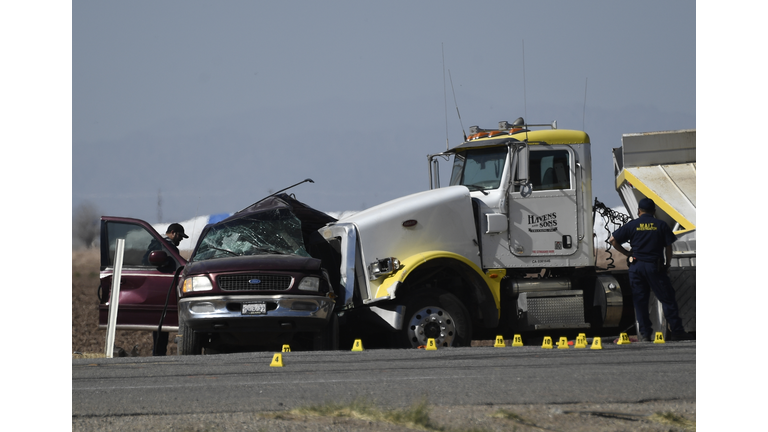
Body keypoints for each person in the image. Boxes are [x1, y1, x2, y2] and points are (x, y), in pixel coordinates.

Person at [608, 198, 693, 342]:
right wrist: (667, 264)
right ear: (654, 211)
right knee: (667, 298)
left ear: (639, 211)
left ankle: (645, 334)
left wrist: (627, 253)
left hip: (636, 267)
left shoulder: (632, 225)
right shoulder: (661, 225)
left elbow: (612, 240)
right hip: (655, 267)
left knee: (640, 301)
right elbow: (668, 247)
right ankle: (678, 331)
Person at [144, 223, 189, 355]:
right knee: (161, 324)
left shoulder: (160, 244)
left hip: (161, 289)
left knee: (162, 326)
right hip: (161, 290)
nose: (180, 240)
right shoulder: (162, 246)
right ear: (173, 233)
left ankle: (159, 353)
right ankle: (158, 354)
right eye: (180, 236)